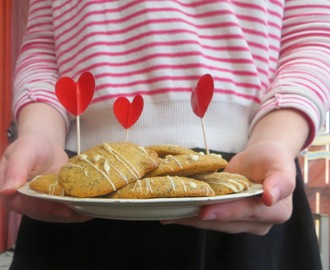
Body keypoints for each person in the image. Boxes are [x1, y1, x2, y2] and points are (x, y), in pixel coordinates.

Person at [0, 0, 329, 269]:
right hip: (77, 183)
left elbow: (311, 40)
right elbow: (43, 48)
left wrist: (277, 139)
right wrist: (39, 132)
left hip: (241, 176)